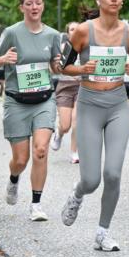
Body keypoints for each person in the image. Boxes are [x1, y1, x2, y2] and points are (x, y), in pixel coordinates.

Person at [60, 0, 129, 251]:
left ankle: (102, 233)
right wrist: (81, 70)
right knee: (92, 179)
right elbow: (63, 66)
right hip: (89, 105)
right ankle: (77, 193)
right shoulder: (83, 31)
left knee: (113, 174)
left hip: (117, 104)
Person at [0, 0, 63, 222]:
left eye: (38, 3)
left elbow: (54, 65)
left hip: (44, 100)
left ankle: (36, 204)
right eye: (29, 3)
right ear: (22, 7)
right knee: (21, 160)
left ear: (43, 6)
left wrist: (59, 64)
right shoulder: (12, 32)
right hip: (16, 101)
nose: (34, 7)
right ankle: (13, 179)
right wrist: (3, 59)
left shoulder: (53, 35)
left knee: (40, 151)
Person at [51, 20, 83, 158]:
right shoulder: (63, 47)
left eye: (77, 29)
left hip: (81, 87)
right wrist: (58, 65)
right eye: (72, 29)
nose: (75, 32)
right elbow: (55, 70)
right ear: (68, 33)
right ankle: (59, 133)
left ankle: (74, 152)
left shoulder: (85, 47)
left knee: (77, 120)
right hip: (64, 87)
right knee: (65, 125)